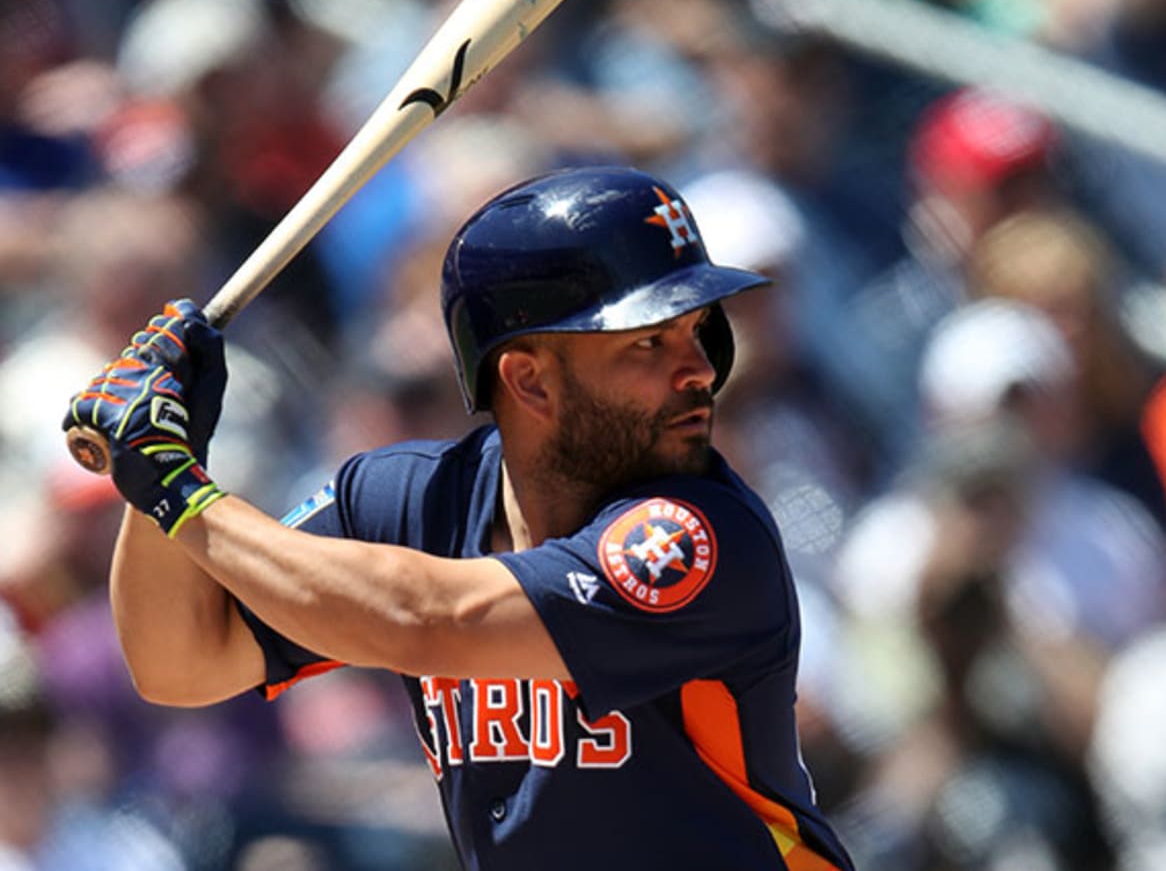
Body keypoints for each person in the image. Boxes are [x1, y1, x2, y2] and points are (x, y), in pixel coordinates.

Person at [62, 166, 855, 871]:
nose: (702, 369)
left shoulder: (696, 535)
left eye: (695, 331)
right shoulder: (408, 499)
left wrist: (176, 491)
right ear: (528, 380)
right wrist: (165, 470)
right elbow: (178, 662)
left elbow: (428, 617)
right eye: (649, 342)